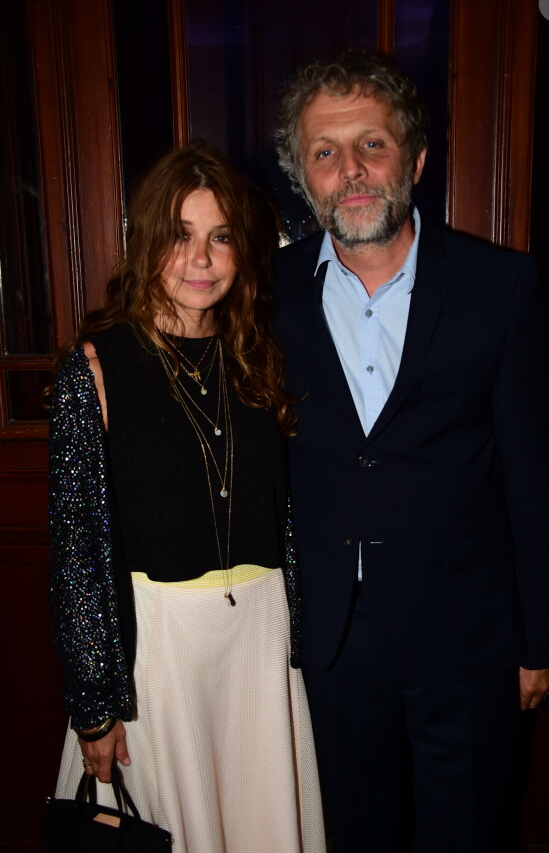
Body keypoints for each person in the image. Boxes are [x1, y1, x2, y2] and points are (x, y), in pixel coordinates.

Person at [274, 50, 549, 852]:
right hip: (330, 641)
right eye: (325, 153)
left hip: (469, 638)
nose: (351, 171)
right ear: (304, 177)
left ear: (417, 158)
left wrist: (539, 639)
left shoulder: (499, 287)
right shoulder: (266, 298)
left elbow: (538, 479)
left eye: (372, 144)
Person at [49, 141, 325, 853]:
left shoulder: (258, 354)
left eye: (220, 237)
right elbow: (76, 550)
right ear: (147, 242)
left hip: (260, 640)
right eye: (180, 235)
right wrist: (93, 705)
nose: (200, 259)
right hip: (161, 653)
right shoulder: (95, 367)